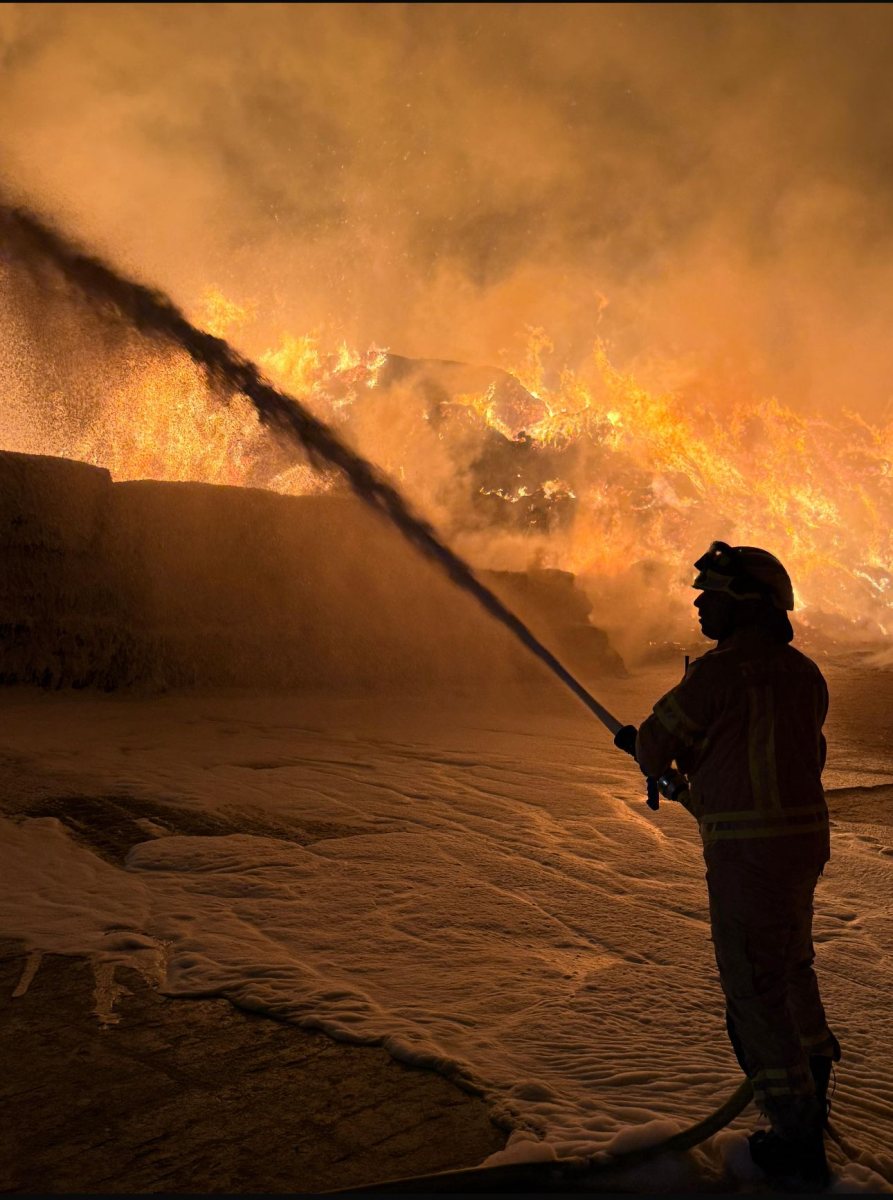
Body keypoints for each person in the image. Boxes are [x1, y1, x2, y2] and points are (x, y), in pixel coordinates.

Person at [615, 541, 840, 1188]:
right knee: (791, 967)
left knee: (753, 991)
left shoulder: (715, 674)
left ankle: (795, 1139)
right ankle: (816, 1077)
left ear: (745, 604)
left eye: (710, 595)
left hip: (746, 855)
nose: (698, 606)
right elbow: (798, 754)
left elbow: (655, 746)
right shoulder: (804, 673)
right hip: (801, 848)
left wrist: (645, 747)